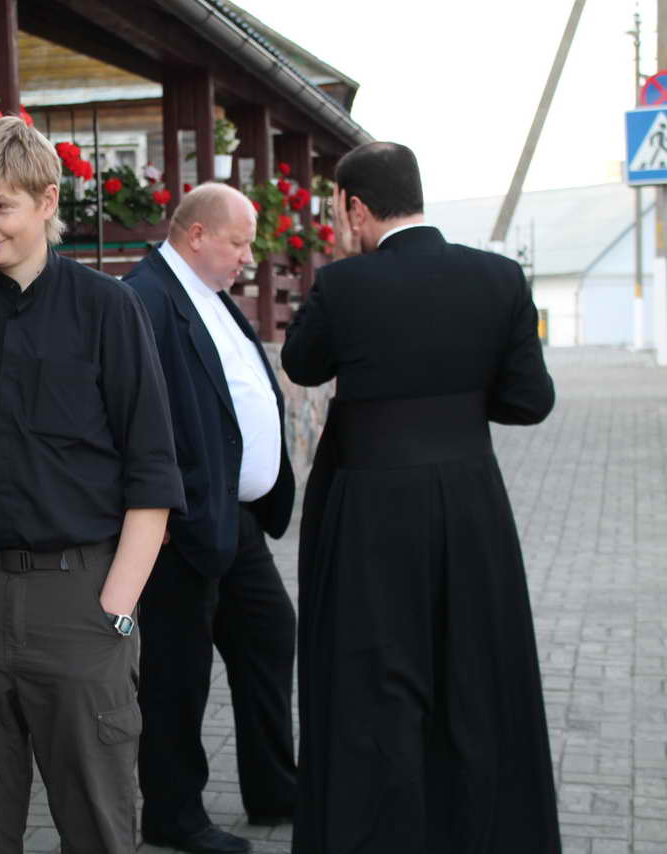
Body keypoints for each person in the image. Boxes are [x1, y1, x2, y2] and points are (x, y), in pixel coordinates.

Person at [0, 116, 184, 854]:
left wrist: (115, 612)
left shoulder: (110, 308)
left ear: (47, 201)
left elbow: (152, 472)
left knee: (99, 826)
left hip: (80, 601)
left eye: (1, 206)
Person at [282, 141, 560, 853]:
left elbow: (302, 363)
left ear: (355, 207)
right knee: (474, 670)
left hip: (370, 507)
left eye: (337, 208)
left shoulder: (345, 284)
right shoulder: (499, 277)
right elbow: (530, 401)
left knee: (373, 682)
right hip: (471, 502)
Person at [123, 183, 297, 854]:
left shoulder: (211, 294)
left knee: (269, 632)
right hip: (180, 524)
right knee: (178, 672)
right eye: (238, 242)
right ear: (196, 234)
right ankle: (173, 814)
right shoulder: (144, 297)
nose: (248, 257)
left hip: (235, 518)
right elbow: (125, 411)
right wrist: (156, 508)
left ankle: (275, 787)